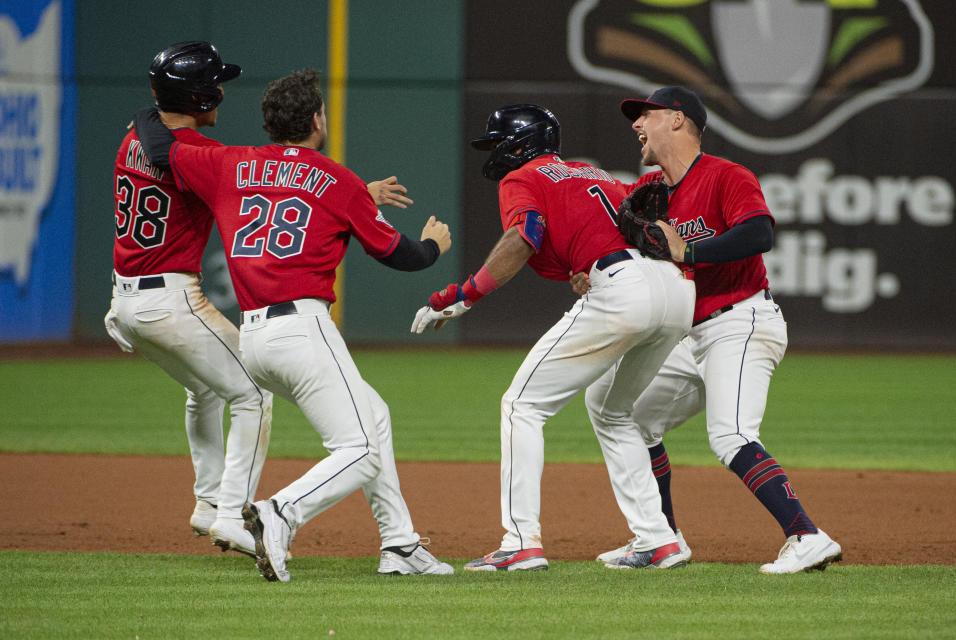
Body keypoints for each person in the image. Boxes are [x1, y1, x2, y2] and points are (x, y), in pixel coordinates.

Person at [133, 68, 454, 581]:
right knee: (361, 450)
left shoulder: (229, 163)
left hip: (253, 338)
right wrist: (435, 244)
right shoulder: (337, 180)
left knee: (376, 415)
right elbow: (403, 256)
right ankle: (280, 513)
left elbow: (160, 149)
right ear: (316, 119)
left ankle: (400, 544)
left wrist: (152, 106)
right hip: (303, 330)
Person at [411, 104, 696, 571]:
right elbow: (637, 219)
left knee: (522, 405)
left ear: (518, 144)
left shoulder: (523, 177)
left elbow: (524, 235)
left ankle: (520, 541)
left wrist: (463, 295)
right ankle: (657, 538)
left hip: (624, 289)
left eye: (497, 142)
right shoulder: (592, 171)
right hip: (675, 290)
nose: (494, 153)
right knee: (611, 409)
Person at [592, 86, 842, 574]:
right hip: (690, 335)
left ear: (679, 121)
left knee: (730, 434)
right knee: (635, 419)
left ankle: (807, 536)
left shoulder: (726, 175)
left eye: (647, 115)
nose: (636, 125)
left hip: (742, 320)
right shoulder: (652, 195)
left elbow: (759, 233)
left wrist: (689, 251)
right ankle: (662, 539)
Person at [104, 41, 275, 557]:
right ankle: (232, 515)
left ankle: (207, 504)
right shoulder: (200, 154)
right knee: (256, 394)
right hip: (172, 302)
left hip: (125, 305)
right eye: (216, 84)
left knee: (205, 392)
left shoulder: (134, 135)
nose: (222, 91)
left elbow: (155, 126)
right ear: (199, 96)